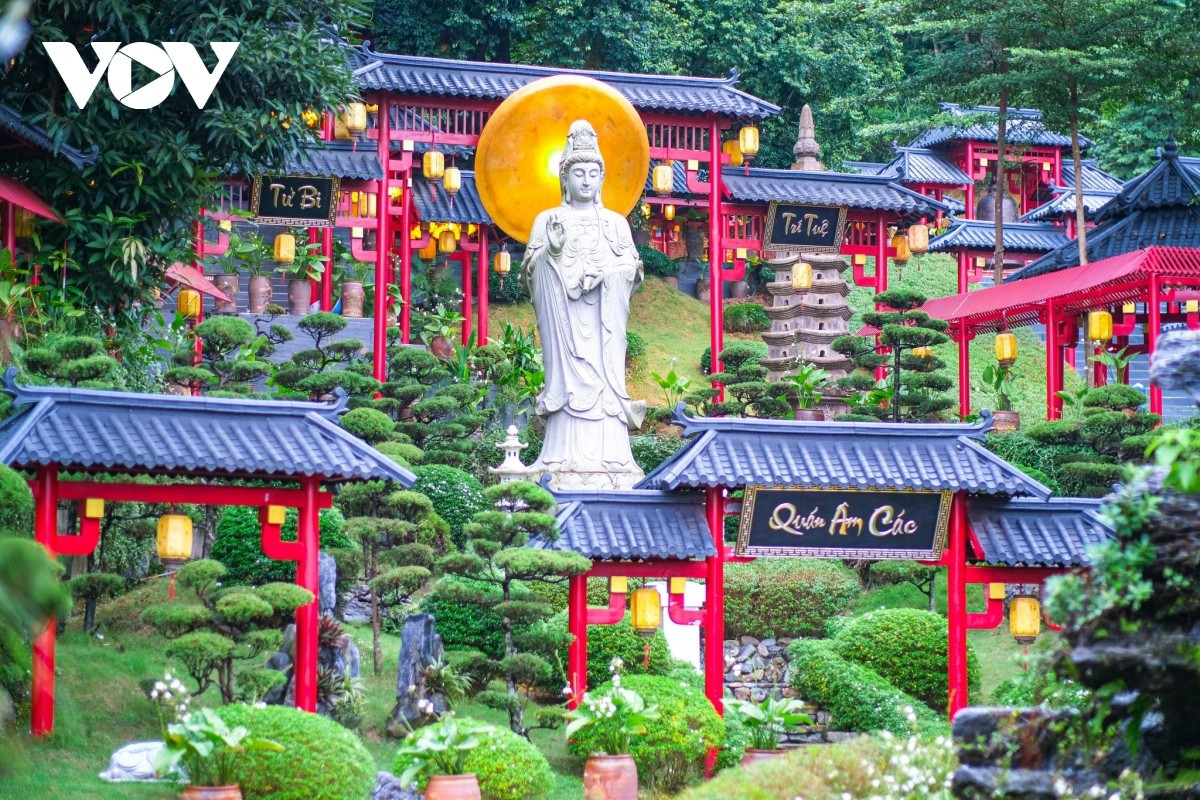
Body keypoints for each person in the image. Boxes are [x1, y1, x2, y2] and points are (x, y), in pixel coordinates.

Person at [520, 120, 645, 488]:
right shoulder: (548, 220)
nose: (586, 181)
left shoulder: (615, 224)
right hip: (566, 326)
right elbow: (530, 274)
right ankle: (560, 456)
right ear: (565, 178)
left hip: (603, 327)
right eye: (578, 173)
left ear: (602, 179)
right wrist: (553, 251)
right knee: (569, 388)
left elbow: (631, 269)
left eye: (593, 173)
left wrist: (605, 275)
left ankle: (614, 459)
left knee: (605, 392)